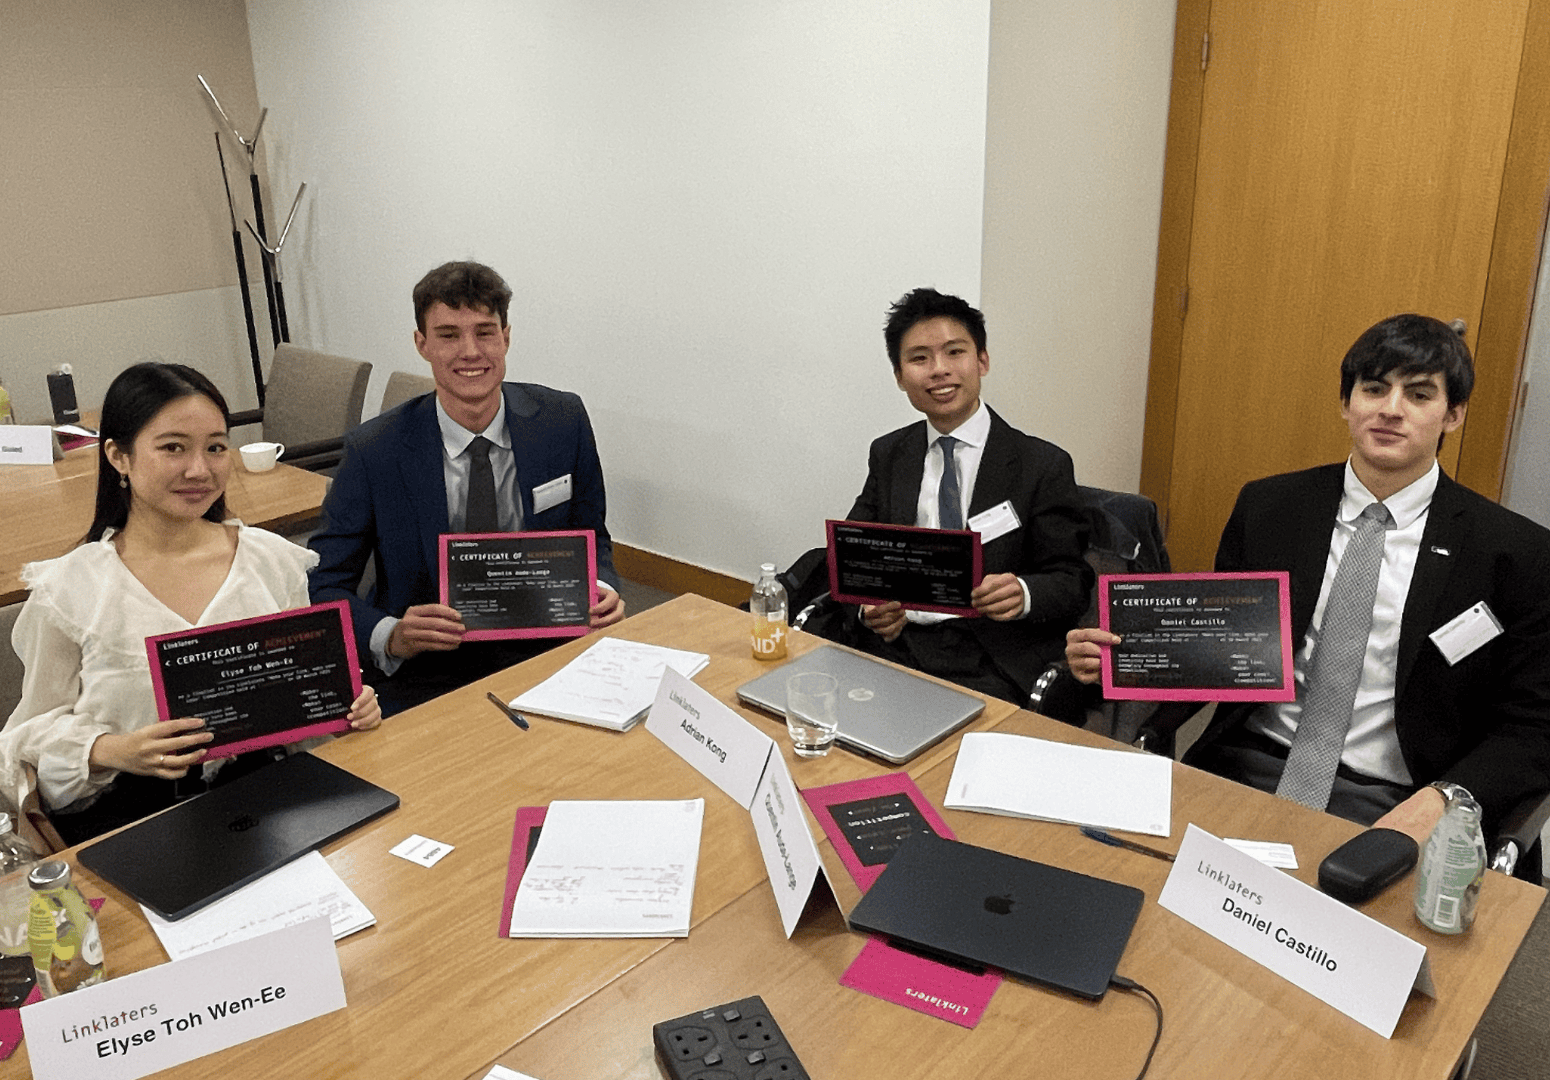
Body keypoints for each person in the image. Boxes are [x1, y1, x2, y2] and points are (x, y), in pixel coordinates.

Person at [1067, 314, 1550, 849]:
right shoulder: (1271, 507)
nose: (1391, 410)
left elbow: (1532, 726)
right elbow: (1216, 651)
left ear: (1453, 414)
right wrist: (1121, 660)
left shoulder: (1515, 553)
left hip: (1395, 801)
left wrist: (1443, 798)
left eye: (1418, 394)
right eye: (1373, 389)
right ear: (1347, 403)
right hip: (1246, 766)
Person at [0, 362, 382, 845]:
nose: (199, 470)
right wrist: (112, 749)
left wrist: (343, 707)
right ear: (118, 456)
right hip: (132, 823)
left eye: (216, 447)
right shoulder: (72, 589)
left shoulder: (271, 562)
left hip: (270, 805)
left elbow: (299, 706)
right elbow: (20, 739)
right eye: (173, 448)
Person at [309, 261, 625, 715]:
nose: (470, 351)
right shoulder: (375, 450)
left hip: (550, 649)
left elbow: (592, 535)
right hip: (429, 669)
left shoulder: (563, 421)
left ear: (506, 337)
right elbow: (324, 582)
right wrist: (390, 634)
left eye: (485, 331)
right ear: (421, 344)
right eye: (449, 335)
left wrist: (600, 586)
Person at [845, 287, 1091, 705]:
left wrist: (1024, 592)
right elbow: (853, 555)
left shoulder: (1040, 464)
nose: (939, 370)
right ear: (900, 376)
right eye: (919, 358)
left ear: (982, 361)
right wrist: (868, 607)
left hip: (990, 655)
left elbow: (1072, 580)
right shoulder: (889, 454)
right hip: (895, 645)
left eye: (954, 352)